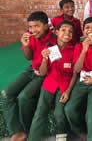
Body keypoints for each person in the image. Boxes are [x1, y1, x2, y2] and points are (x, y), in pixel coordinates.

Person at [1, 11, 56, 141]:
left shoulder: (54, 41)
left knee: (24, 97)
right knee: (5, 93)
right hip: (31, 70)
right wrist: (26, 46)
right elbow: (28, 57)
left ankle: (27, 129)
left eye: (37, 26)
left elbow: (49, 69)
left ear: (47, 26)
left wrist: (40, 71)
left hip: (44, 74)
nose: (33, 30)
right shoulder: (31, 38)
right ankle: (17, 131)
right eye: (30, 27)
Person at [28, 20, 77, 141]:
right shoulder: (49, 48)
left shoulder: (74, 50)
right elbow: (43, 72)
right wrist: (45, 59)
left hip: (65, 86)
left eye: (70, 31)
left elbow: (76, 74)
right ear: (56, 32)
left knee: (59, 114)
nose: (67, 33)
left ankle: (61, 138)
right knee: (40, 112)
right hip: (49, 84)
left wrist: (68, 92)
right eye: (64, 30)